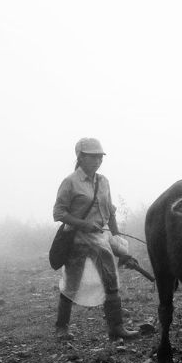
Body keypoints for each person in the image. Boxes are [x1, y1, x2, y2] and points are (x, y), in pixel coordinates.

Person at [52, 138, 139, 341]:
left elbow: (110, 210)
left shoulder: (103, 181)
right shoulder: (70, 182)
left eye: (100, 157)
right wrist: (84, 224)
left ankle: (116, 328)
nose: (97, 160)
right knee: (72, 283)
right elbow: (59, 213)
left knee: (111, 280)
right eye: (93, 156)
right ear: (80, 157)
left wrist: (116, 237)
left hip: (100, 240)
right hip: (76, 240)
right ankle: (61, 328)